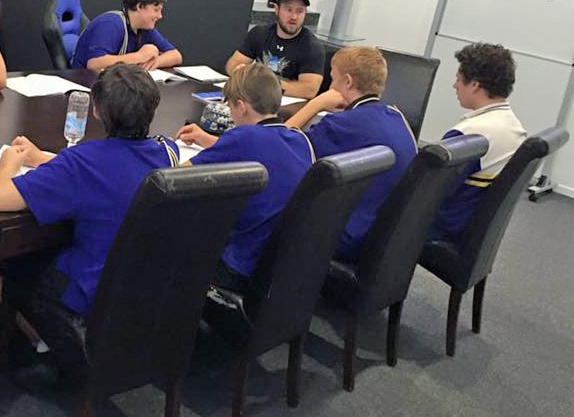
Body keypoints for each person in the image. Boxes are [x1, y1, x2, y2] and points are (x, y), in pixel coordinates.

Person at [0, 64, 179, 380]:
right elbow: (114, 171)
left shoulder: (83, 161)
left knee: (8, 272)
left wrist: (8, 166)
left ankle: (45, 343)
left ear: (98, 112)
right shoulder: (167, 151)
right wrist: (45, 158)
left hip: (93, 290)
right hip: (148, 287)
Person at [176, 63, 314, 293]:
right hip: (280, 267)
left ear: (241, 106)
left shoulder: (242, 138)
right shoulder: (298, 140)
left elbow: (174, 178)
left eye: (230, 107)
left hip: (238, 266)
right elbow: (260, 148)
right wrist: (211, 141)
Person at [284, 46, 417, 262]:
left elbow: (280, 145)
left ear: (347, 82)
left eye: (332, 79)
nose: (330, 86)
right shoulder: (397, 117)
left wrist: (316, 104)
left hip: (347, 237)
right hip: (386, 237)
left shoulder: (340, 126)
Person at [429, 43, 527, 244]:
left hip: (444, 227)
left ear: (474, 85)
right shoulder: (514, 126)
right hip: (471, 224)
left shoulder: (470, 133)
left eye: (458, 79)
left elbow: (428, 190)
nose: (454, 85)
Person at [226, 0, 325, 99]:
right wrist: (241, 73)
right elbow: (233, 64)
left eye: (300, 11)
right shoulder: (259, 33)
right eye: (288, 9)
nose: (294, 16)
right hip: (255, 98)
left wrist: (264, 84)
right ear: (277, 10)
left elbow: (309, 90)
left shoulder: (312, 47)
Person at [70, 0, 183, 71]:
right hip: (86, 86)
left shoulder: (145, 29)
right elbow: (94, 64)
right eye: (156, 10)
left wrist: (155, 61)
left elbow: (176, 55)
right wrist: (139, 56)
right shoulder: (111, 24)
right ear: (139, 7)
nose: (160, 16)